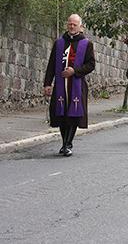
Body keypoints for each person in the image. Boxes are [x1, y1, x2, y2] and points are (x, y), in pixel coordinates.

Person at [43, 14, 95, 156]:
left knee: (73, 114)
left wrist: (74, 71)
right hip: (61, 85)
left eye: (75, 24)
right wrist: (47, 83)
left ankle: (68, 144)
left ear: (80, 26)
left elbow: (91, 65)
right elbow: (52, 64)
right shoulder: (59, 43)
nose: (72, 27)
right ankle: (63, 142)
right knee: (61, 114)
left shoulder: (86, 44)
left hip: (76, 84)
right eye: (70, 24)